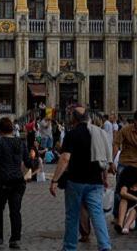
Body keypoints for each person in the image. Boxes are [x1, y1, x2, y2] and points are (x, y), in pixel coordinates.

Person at [49, 106, 111, 251]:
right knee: (98, 214)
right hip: (95, 180)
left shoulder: (72, 134)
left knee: (72, 216)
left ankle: (70, 247)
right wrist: (105, 177)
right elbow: (103, 158)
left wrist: (55, 180)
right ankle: (105, 246)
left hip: (76, 181)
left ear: (74, 118)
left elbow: (65, 158)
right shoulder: (98, 132)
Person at [0, 117, 32, 249]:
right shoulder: (20, 142)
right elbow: (29, 163)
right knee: (15, 211)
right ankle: (15, 239)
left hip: (3, 180)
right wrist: (21, 173)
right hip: (18, 181)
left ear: (0, 130)